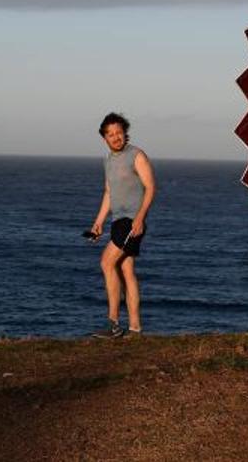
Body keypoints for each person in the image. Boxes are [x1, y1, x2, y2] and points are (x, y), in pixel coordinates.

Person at [88, 112, 155, 338]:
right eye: (110, 134)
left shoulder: (137, 155)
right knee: (126, 270)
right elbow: (109, 192)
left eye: (119, 133)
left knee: (106, 263)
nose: (115, 137)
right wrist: (98, 223)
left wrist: (140, 218)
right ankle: (135, 328)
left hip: (131, 221)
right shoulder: (108, 160)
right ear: (104, 138)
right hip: (118, 220)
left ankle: (113, 324)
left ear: (125, 133)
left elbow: (150, 188)